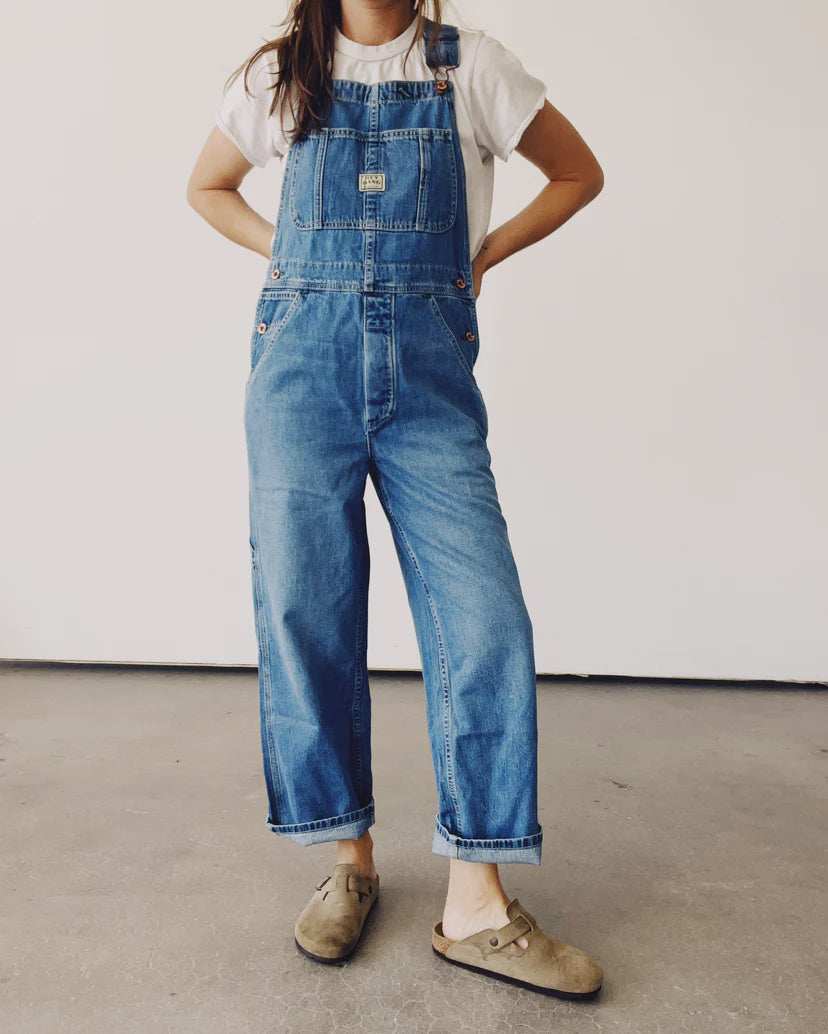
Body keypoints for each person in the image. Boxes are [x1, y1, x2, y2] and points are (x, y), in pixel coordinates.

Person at [187, 0, 604, 998]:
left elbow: (580, 173)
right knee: (307, 611)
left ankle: (475, 898)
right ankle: (349, 858)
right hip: (299, 377)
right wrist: (281, 259)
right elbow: (206, 186)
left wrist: (485, 253)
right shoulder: (281, 72)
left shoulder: (476, 66)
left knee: (484, 620)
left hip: (428, 386)